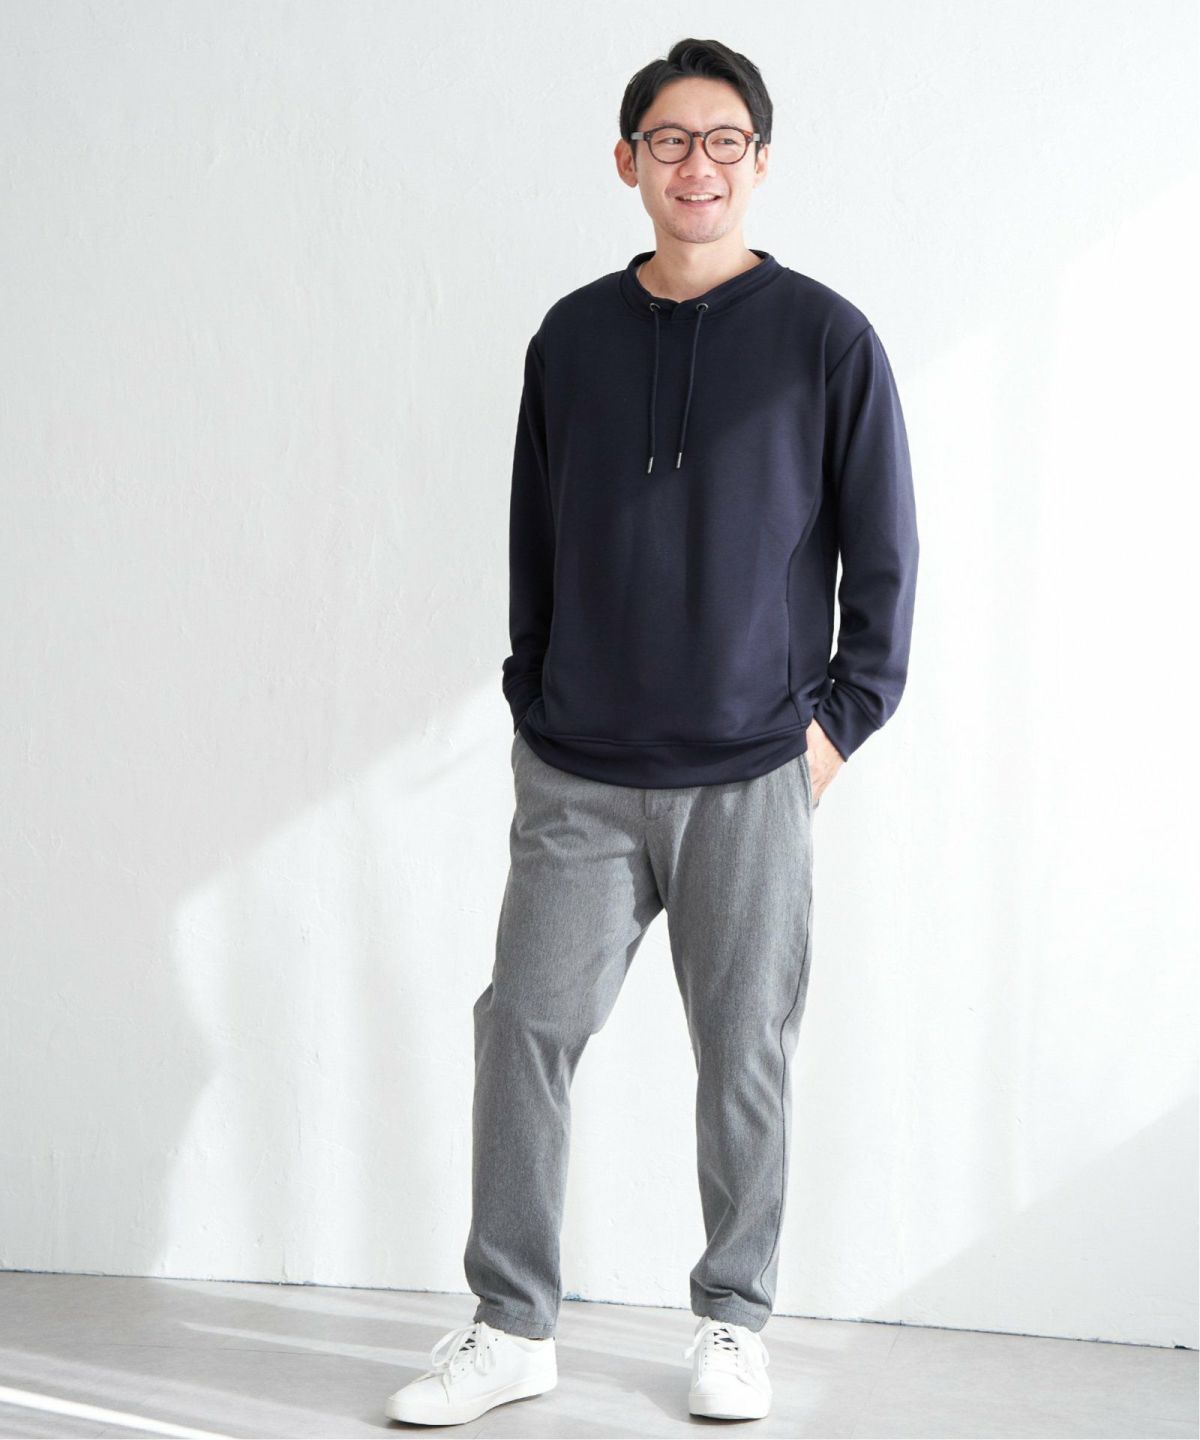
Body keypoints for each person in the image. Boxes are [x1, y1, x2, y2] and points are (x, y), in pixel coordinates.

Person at [386, 35, 919, 1428]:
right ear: (628, 160)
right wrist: (533, 698)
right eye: (670, 140)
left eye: (724, 140)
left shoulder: (827, 340)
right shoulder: (570, 336)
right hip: (579, 770)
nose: (698, 165)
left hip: (753, 773)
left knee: (744, 1055)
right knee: (523, 1027)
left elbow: (887, 566)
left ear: (760, 162)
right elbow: (534, 536)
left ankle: (733, 1321)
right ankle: (512, 1326)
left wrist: (832, 733)